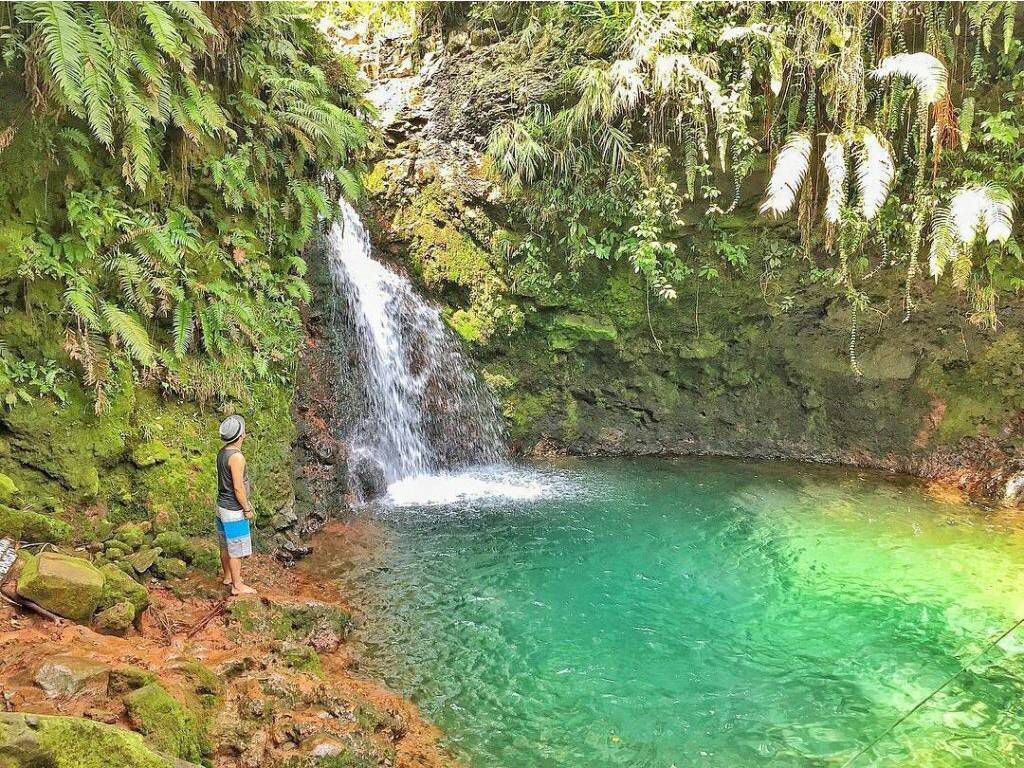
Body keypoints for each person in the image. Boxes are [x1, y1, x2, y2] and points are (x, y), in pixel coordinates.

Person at [216, 415, 256, 595]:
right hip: (233, 509)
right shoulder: (237, 457)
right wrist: (247, 508)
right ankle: (237, 586)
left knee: (225, 545)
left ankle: (228, 577)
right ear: (241, 436)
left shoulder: (222, 452)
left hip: (222, 506)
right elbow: (238, 488)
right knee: (236, 549)